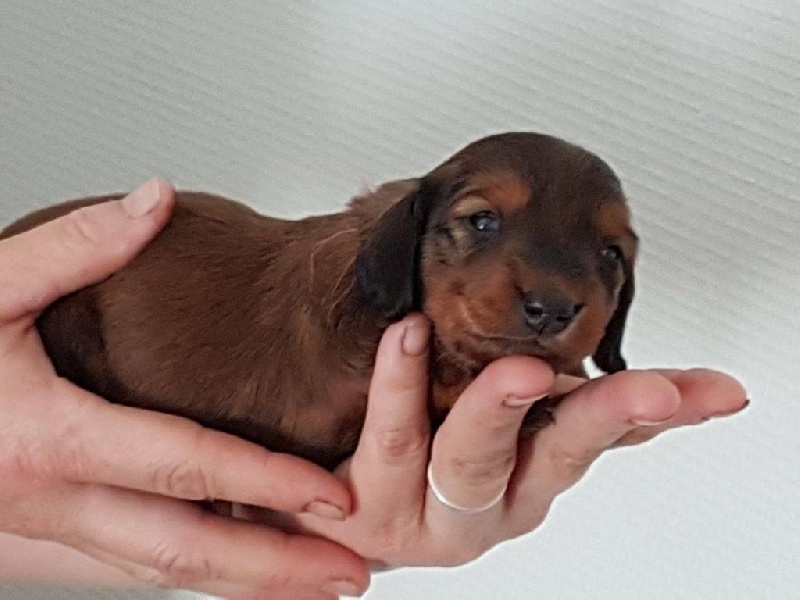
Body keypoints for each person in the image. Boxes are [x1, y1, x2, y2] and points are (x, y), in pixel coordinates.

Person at [0, 179, 748, 600]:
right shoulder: (347, 295)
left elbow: (58, 508)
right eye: (481, 222)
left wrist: (238, 533)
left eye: (610, 257)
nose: (554, 298)